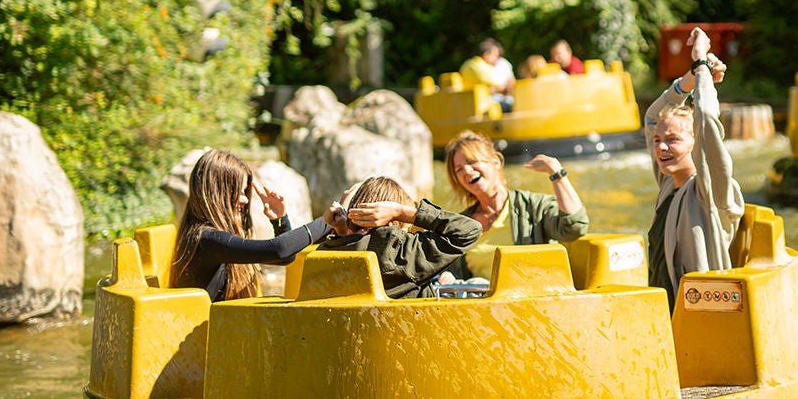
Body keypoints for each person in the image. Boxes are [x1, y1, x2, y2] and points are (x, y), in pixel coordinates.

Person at [643, 26, 745, 308]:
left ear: (694, 141)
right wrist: (690, 78)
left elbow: (707, 120)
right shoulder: (667, 184)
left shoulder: (710, 188)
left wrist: (701, 62)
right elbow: (652, 117)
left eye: (673, 140)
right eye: (658, 141)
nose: (661, 147)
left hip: (703, 319)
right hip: (667, 315)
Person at [169, 148, 338, 301]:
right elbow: (279, 250)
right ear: (216, 193)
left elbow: (286, 258)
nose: (244, 200)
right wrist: (325, 222)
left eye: (245, 192)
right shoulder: (205, 239)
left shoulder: (211, 238)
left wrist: (279, 220)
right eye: (237, 192)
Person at [443, 131, 588, 278]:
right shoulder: (460, 225)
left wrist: (556, 173)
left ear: (496, 162)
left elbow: (574, 227)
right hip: (477, 297)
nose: (467, 170)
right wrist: (449, 276)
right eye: (459, 169)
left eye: (471, 161)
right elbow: (453, 271)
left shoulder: (534, 207)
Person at [318, 175, 483, 299]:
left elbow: (353, 243)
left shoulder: (325, 253)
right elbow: (470, 230)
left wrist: (342, 226)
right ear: (391, 221)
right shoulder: (399, 250)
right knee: (479, 285)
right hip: (413, 337)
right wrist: (402, 212)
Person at [460, 38, 516, 110]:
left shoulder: (467, 64)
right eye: (495, 56)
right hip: (482, 106)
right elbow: (501, 88)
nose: (497, 59)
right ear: (486, 55)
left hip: (467, 104)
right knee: (511, 103)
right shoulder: (481, 67)